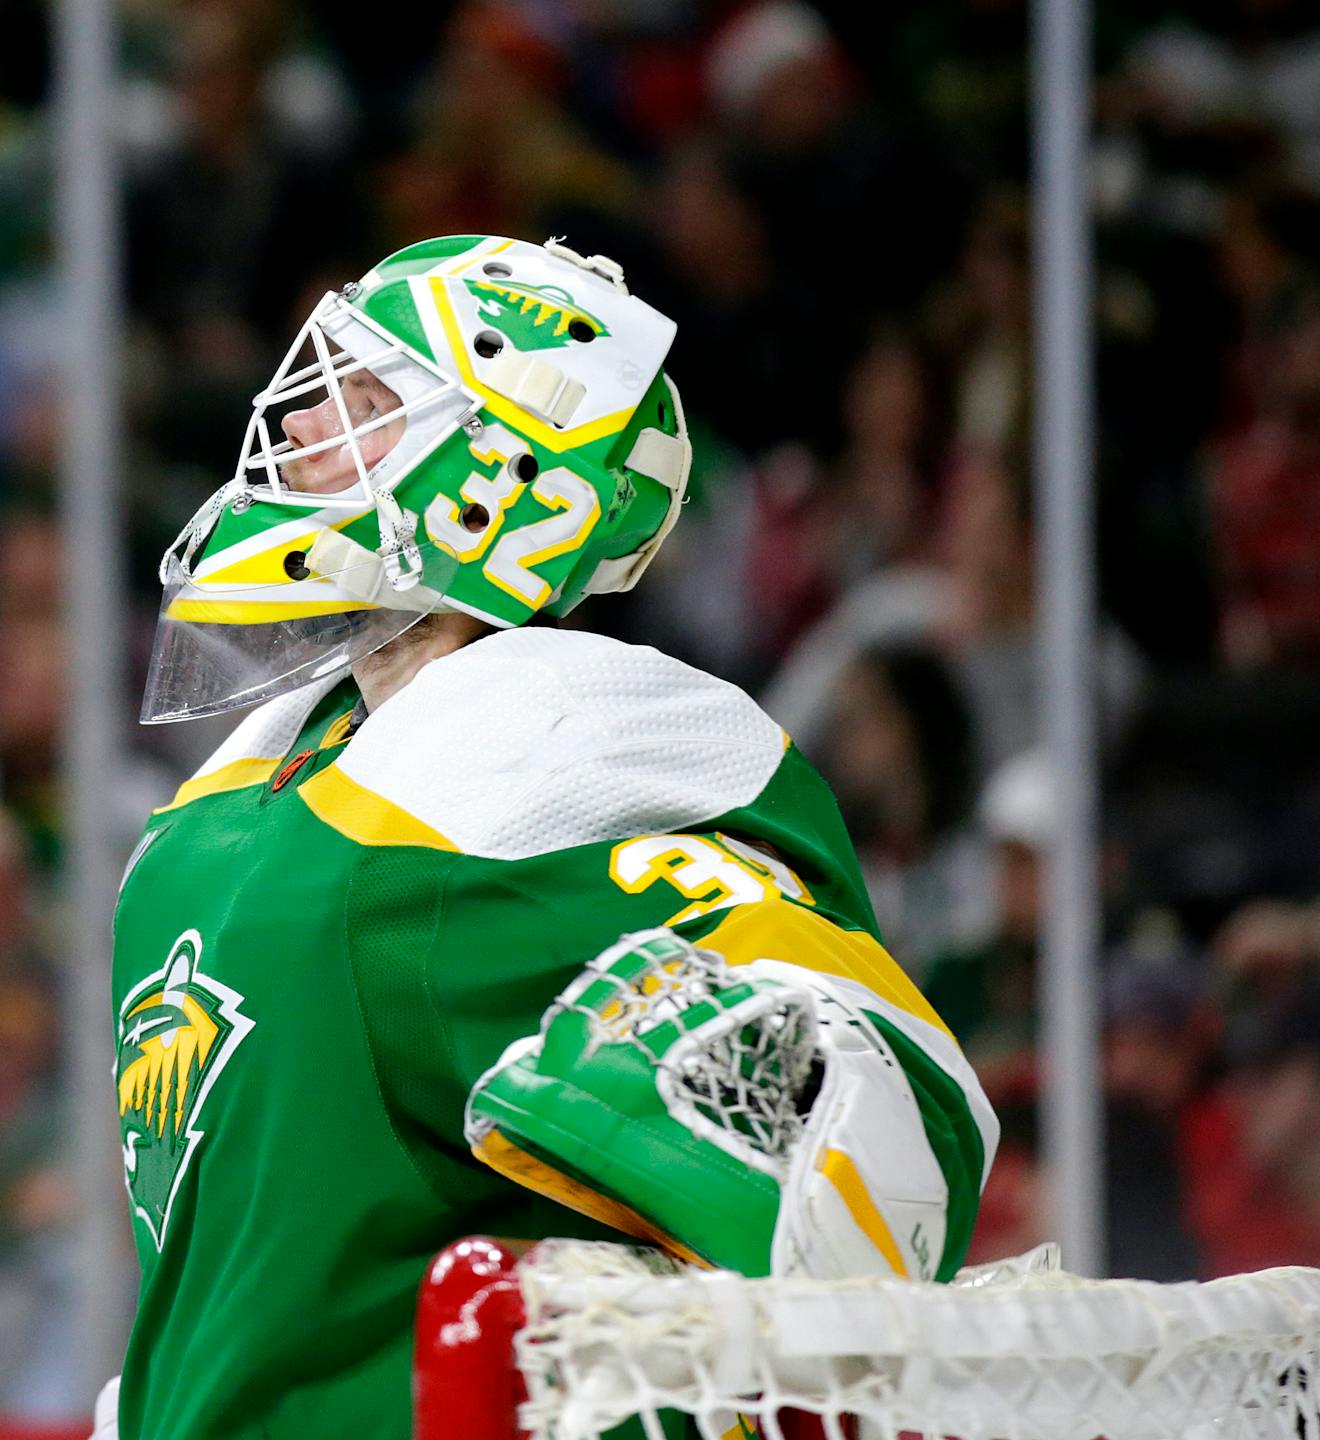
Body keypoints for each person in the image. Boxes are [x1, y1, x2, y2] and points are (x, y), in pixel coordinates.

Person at [100, 236, 998, 1438]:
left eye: (363, 403)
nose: (303, 431)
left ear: (500, 475)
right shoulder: (258, 775)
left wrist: (759, 1093)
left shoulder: (532, 756)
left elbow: (897, 1125)